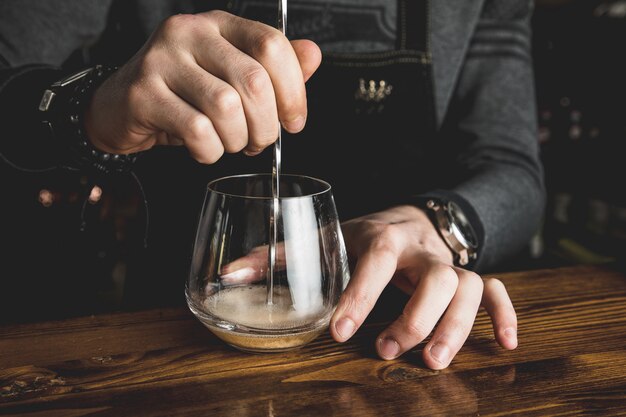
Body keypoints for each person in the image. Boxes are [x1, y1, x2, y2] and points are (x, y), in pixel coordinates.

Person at [0, 0, 544, 370]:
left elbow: (512, 168)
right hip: (172, 342)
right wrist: (91, 107)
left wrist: (436, 225)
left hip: (386, 340)